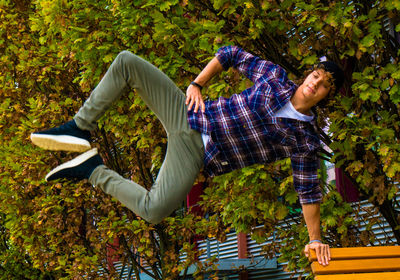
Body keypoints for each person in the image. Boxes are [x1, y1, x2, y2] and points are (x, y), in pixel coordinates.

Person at [30, 46, 344, 267]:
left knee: (154, 210)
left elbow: (308, 192)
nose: (315, 84)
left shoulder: (305, 140)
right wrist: (197, 83)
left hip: (196, 154)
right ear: (308, 74)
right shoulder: (274, 77)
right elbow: (231, 53)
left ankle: (91, 168)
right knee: (127, 63)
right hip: (190, 115)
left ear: (327, 96)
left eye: (325, 85)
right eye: (316, 75)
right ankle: (79, 127)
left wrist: (315, 239)